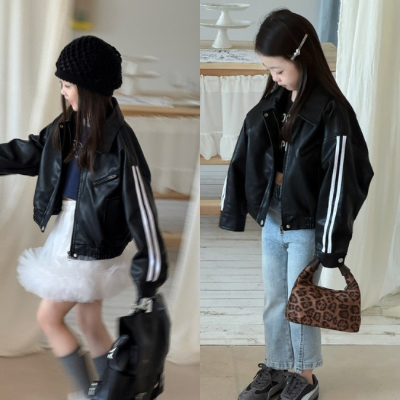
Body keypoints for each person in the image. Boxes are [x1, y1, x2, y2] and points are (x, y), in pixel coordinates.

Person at [0, 36, 168, 399]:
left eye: (67, 84)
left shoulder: (120, 142)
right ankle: (112, 393)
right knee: (89, 321)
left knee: (48, 318)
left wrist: (151, 274)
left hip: (89, 242)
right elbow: (32, 152)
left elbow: (142, 209)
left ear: (89, 87)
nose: (63, 92)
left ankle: (91, 393)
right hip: (70, 232)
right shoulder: (68, 125)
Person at [219, 9, 373, 400]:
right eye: (269, 70)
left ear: (301, 58)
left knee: (300, 301)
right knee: (275, 298)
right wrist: (237, 207)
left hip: (305, 223)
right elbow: (246, 154)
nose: (273, 77)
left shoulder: (332, 111)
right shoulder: (275, 101)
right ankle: (276, 367)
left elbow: (345, 178)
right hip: (274, 217)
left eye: (278, 69)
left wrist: (331, 243)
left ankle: (304, 377)